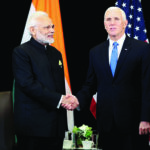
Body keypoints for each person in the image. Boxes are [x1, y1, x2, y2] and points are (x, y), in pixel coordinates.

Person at [62, 6, 150, 150]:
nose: (112, 23)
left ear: (125, 23)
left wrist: (146, 118)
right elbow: (90, 84)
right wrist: (77, 99)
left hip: (134, 123)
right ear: (104, 24)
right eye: (108, 19)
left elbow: (147, 85)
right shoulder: (95, 52)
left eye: (116, 19)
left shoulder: (142, 49)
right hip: (106, 123)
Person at [12, 11, 77, 150]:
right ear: (33, 30)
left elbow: (58, 87)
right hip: (33, 127)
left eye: (52, 26)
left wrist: (66, 99)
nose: (52, 30)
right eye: (46, 27)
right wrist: (60, 100)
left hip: (56, 127)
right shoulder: (21, 52)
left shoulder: (56, 53)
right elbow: (27, 84)